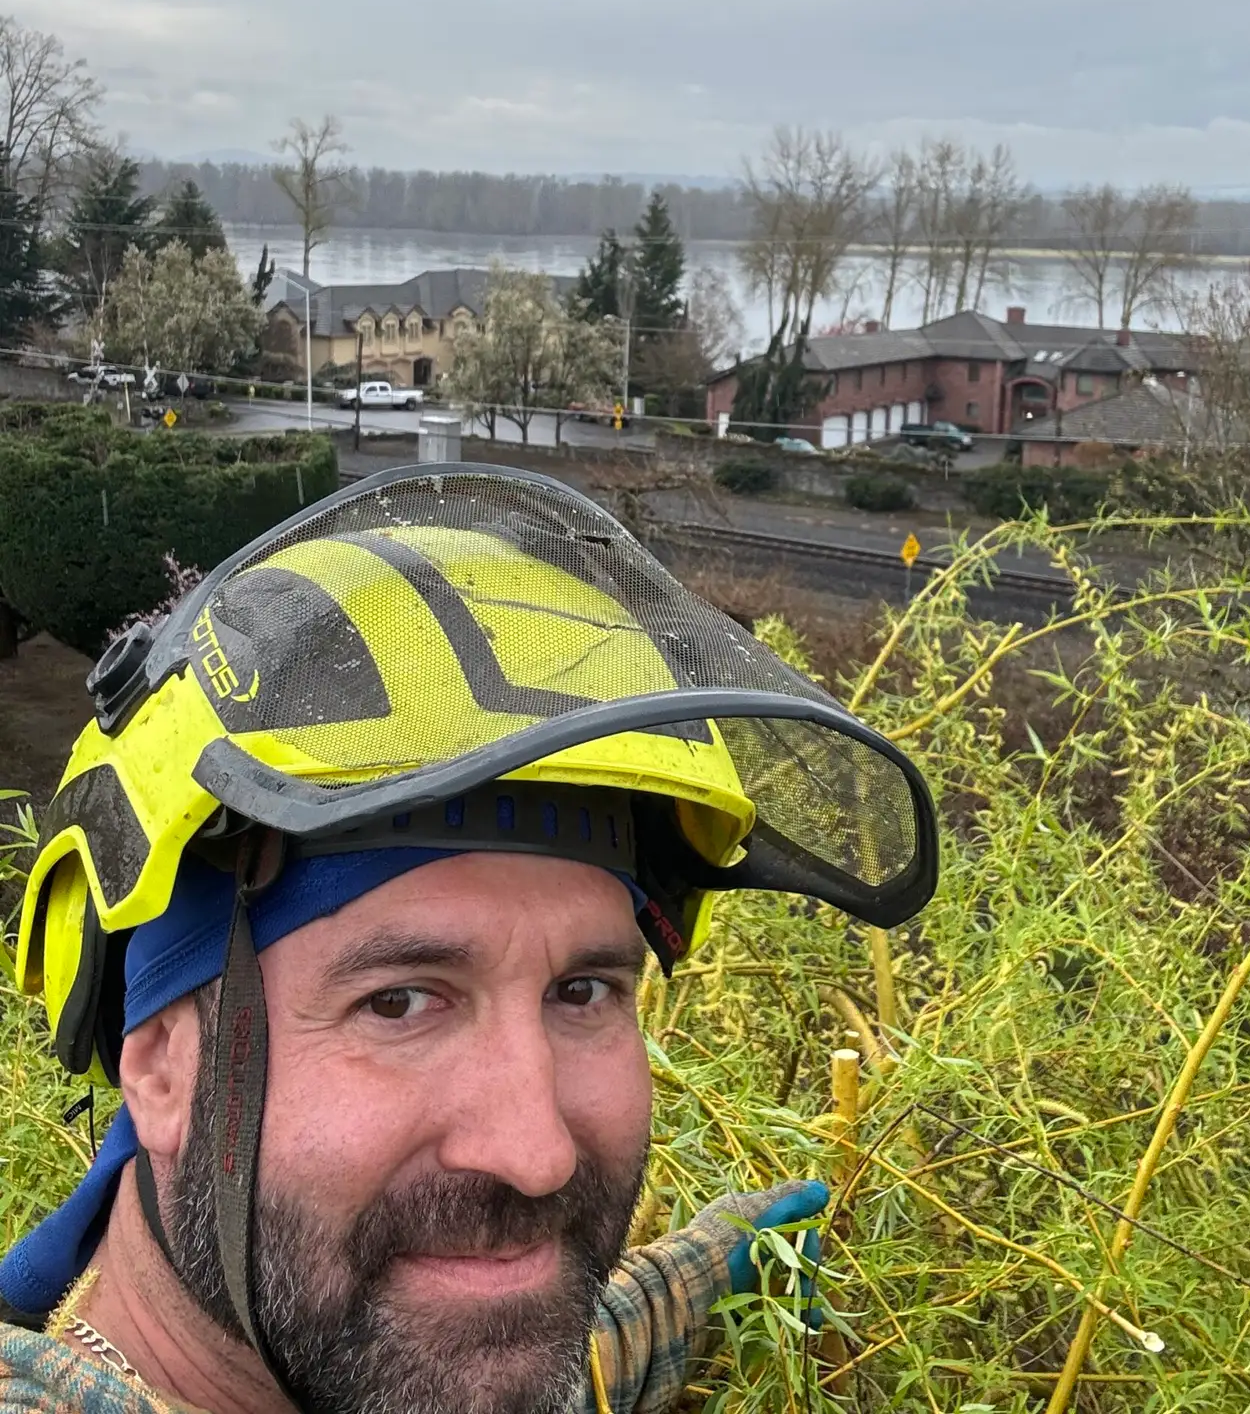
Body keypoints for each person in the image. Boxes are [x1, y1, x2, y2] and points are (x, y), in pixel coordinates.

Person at [0, 466, 937, 1414]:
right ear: (161, 1068)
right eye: (400, 1001)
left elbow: (590, 1352)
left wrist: (721, 1263)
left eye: (582, 993)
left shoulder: (389, 1342)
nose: (538, 1155)